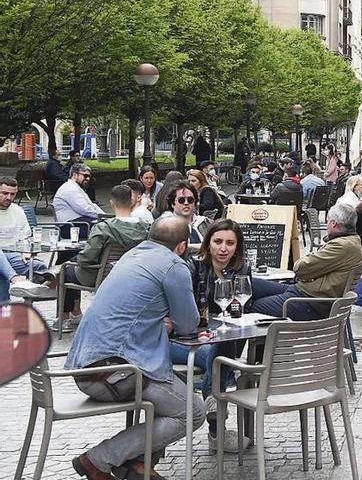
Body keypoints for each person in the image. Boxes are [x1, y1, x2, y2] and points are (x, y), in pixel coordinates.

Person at [63, 217, 204, 480]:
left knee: (179, 387)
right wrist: (171, 321)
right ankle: (97, 460)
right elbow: (188, 323)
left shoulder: (131, 255)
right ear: (183, 246)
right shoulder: (174, 265)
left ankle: (139, 463)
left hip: (87, 367)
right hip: (114, 372)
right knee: (192, 413)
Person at [169, 220, 253, 451]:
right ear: (208, 244)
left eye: (230, 243)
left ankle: (215, 413)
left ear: (237, 246)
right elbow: (184, 310)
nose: (223, 248)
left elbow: (241, 307)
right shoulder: (192, 267)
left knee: (220, 352)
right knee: (220, 358)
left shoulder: (242, 269)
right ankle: (217, 430)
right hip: (183, 340)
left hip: (218, 339)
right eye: (217, 242)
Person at [250, 203, 362, 319]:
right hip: (306, 293)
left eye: (328, 221)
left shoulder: (342, 246)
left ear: (333, 223)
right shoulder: (351, 242)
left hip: (310, 302)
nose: (327, 225)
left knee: (251, 306)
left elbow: (300, 268)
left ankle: (256, 335)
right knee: (249, 284)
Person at [58, 185, 149, 330]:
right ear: (131, 202)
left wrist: (79, 260)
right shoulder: (146, 227)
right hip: (133, 275)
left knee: (66, 269)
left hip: (103, 275)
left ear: (112, 203)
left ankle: (64, 317)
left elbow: (87, 258)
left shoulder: (103, 228)